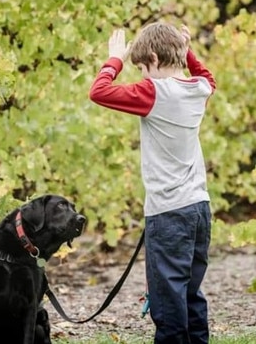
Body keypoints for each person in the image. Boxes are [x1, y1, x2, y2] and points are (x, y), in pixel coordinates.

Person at [88, 22, 216, 344]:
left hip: (168, 214)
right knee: (191, 295)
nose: (143, 75)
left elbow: (98, 91)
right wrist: (188, 50)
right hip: (199, 208)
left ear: (155, 59)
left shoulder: (153, 92)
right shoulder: (198, 88)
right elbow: (208, 77)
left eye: (143, 67)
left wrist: (114, 59)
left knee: (168, 304)